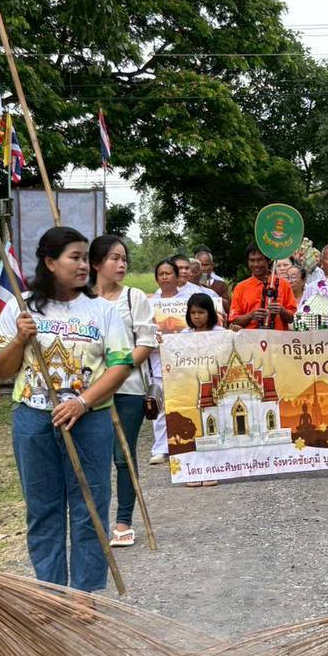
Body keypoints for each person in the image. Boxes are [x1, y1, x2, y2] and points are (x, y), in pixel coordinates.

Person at [0, 226, 133, 602]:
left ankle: (84, 591)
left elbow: (120, 366)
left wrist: (82, 402)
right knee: (42, 507)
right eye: (75, 257)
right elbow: (2, 370)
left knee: (90, 502)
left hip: (90, 418)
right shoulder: (20, 309)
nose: (84, 265)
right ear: (50, 262)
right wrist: (21, 339)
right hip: (34, 418)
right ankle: (50, 590)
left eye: (86, 257)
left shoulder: (102, 311)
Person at [89, 234, 157, 548]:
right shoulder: (81, 300)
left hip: (127, 388)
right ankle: (94, 519)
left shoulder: (134, 297)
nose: (121, 264)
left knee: (123, 455)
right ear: (95, 263)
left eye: (124, 258)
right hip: (88, 391)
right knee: (93, 456)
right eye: (114, 258)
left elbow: (146, 342)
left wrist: (119, 370)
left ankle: (123, 521)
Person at [181, 292, 224, 489]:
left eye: (201, 312)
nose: (196, 316)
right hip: (191, 388)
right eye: (193, 313)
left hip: (214, 387)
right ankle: (194, 469)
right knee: (195, 429)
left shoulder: (220, 333)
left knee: (214, 429)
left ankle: (213, 468)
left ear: (210, 313)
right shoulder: (183, 336)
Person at [146, 258, 184, 463]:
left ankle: (184, 443)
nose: (165, 277)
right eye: (161, 274)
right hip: (158, 360)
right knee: (159, 406)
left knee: (184, 402)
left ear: (177, 277)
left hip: (184, 360)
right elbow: (142, 331)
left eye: (169, 273)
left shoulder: (189, 300)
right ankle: (161, 448)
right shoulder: (149, 304)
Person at [230, 243, 297, 330]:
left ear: (268, 260)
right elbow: (234, 320)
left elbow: (293, 318)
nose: (256, 264)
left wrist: (282, 311)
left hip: (278, 339)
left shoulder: (283, 284)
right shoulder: (241, 287)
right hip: (250, 340)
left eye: (260, 260)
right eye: (252, 260)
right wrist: (251, 316)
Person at [172, 253, 224, 320]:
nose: (184, 271)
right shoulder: (161, 292)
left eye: (186, 268)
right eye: (180, 268)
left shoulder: (200, 293)